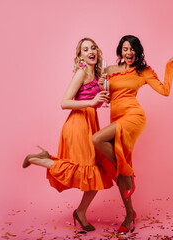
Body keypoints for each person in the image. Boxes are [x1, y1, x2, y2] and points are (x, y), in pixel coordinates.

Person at [23, 37, 115, 232]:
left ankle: (81, 211)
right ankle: (37, 159)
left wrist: (100, 95)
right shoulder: (81, 72)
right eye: (85, 49)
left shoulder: (97, 73)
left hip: (90, 123)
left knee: (96, 174)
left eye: (93, 48)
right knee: (85, 170)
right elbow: (64, 102)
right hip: (78, 125)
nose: (90, 51)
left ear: (97, 52)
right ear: (80, 56)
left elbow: (95, 100)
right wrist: (91, 102)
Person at [92, 35, 173, 233]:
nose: (129, 52)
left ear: (138, 51)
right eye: (125, 49)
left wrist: (170, 65)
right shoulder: (109, 71)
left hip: (133, 117)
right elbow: (100, 93)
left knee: (97, 139)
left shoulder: (143, 71)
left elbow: (165, 90)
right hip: (115, 118)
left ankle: (128, 172)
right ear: (120, 51)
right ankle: (130, 213)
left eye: (132, 49)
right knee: (120, 172)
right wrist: (98, 85)